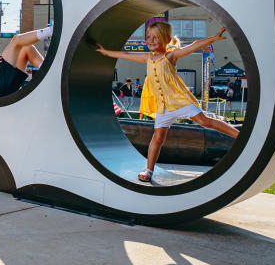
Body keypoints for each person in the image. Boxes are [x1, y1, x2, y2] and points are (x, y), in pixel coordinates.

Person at [94, 22, 238, 183]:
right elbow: (126, 55)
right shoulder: (147, 58)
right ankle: (148, 170)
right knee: (158, 137)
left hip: (179, 101)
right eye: (148, 37)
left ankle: (239, 136)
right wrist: (106, 52)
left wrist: (213, 38)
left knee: (204, 121)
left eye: (156, 37)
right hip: (163, 107)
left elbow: (193, 46)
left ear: (167, 39)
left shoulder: (171, 56)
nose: (151, 40)